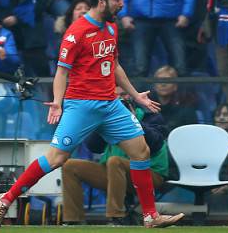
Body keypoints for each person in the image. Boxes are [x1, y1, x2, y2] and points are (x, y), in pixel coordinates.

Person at [0, 0, 184, 229]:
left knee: (141, 151)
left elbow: (114, 66)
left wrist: (135, 96)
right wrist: (58, 103)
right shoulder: (76, 33)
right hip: (81, 105)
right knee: (56, 158)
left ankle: (150, 216)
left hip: (111, 105)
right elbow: (61, 72)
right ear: (102, 2)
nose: (121, 4)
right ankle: (5, 199)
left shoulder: (112, 28)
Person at [62, 94, 169, 225]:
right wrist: (100, 122)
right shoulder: (109, 120)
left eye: (121, 100)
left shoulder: (151, 116)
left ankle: (116, 217)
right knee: (69, 165)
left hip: (150, 174)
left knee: (115, 161)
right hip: (113, 173)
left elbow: (156, 143)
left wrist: (132, 120)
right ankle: (73, 220)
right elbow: (93, 147)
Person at [152, 65, 198, 131]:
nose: (163, 84)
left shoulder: (186, 109)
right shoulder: (148, 108)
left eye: (167, 81)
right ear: (154, 85)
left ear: (175, 86)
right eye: (160, 80)